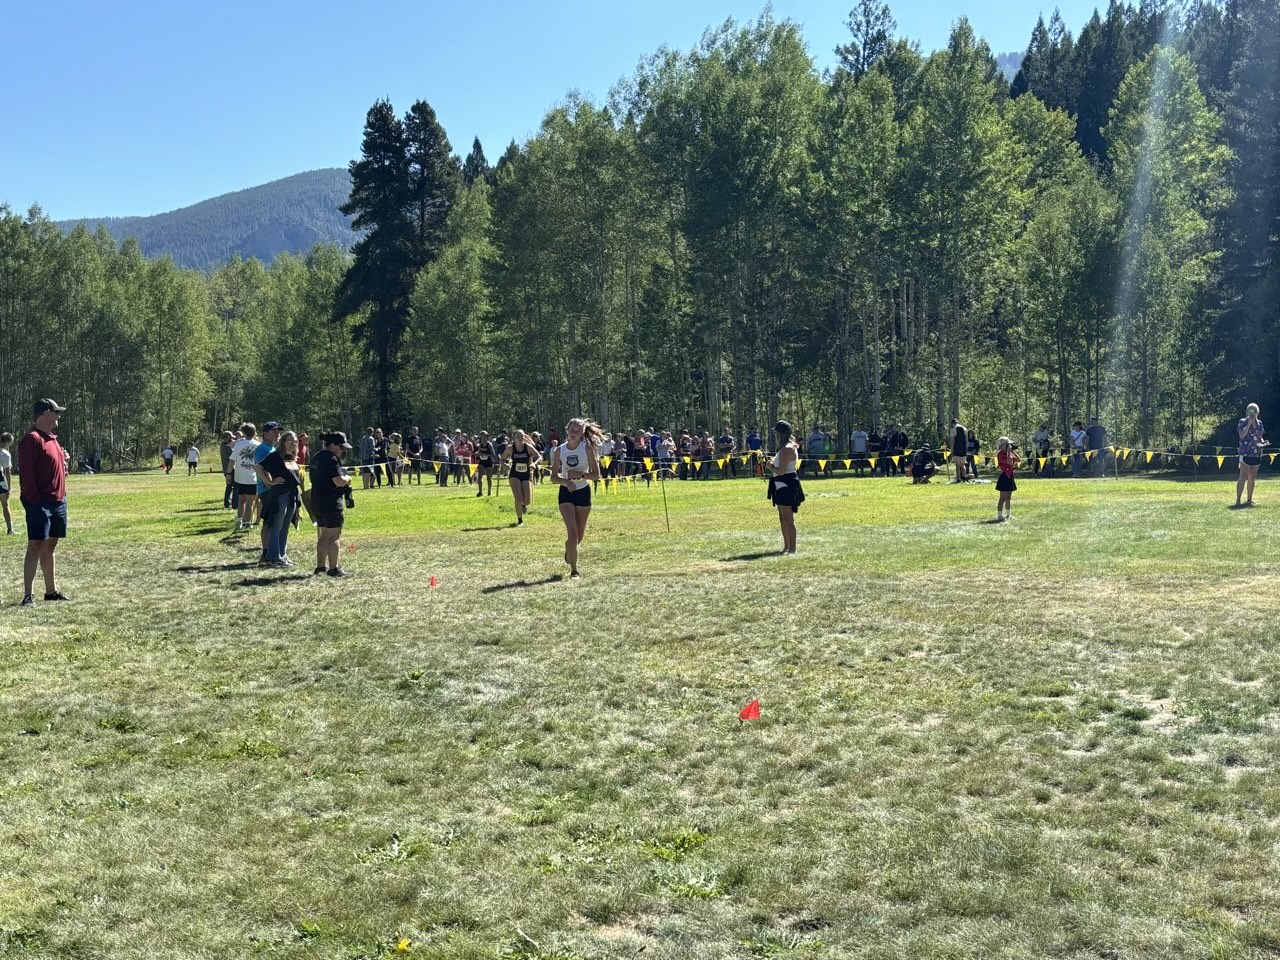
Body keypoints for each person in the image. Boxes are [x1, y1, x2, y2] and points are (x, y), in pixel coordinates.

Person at [19, 399, 71, 606]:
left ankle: (51, 591)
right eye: (56, 412)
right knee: (35, 545)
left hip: (58, 501)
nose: (58, 416)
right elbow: (27, 476)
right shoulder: (31, 439)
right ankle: (28, 595)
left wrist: (64, 463)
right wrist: (34, 502)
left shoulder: (52, 439)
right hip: (40, 502)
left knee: (51, 545)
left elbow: (59, 470)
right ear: (46, 413)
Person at [553, 418, 602, 579]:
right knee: (572, 534)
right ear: (566, 430)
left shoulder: (587, 449)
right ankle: (574, 570)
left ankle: (570, 550)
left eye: (577, 431)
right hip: (566, 493)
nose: (573, 433)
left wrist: (581, 475)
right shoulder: (559, 450)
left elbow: (596, 475)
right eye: (571, 429)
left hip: (583, 491)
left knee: (578, 537)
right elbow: (554, 477)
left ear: (582, 434)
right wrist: (566, 481)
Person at [310, 432, 353, 578]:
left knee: (323, 535)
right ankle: (334, 568)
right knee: (334, 535)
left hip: (317, 501)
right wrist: (347, 478)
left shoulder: (317, 456)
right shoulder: (332, 459)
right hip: (331, 502)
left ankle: (320, 567)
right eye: (341, 447)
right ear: (333, 445)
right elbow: (338, 480)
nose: (343, 450)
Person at [260, 430, 305, 567]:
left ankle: (282, 555)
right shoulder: (276, 456)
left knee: (285, 526)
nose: (293, 444)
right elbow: (258, 467)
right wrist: (270, 482)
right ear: (283, 442)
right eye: (290, 441)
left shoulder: (291, 457)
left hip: (292, 494)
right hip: (280, 495)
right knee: (277, 526)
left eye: (295, 441)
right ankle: (273, 557)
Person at [767, 420, 804, 554]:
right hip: (782, 484)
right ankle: (787, 546)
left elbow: (781, 471)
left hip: (786, 483)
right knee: (782, 517)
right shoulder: (786, 448)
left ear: (781, 434)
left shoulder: (787, 448)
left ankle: (792, 548)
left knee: (788, 518)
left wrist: (770, 466)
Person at [252, 422, 282, 562]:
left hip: (273, 490)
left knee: (273, 521)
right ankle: (265, 553)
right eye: (274, 431)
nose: (277, 434)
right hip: (267, 490)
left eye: (278, 431)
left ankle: (272, 551)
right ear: (265, 433)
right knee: (268, 521)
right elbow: (261, 468)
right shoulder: (262, 449)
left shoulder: (271, 448)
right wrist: (270, 483)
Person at [502, 429, 542, 525]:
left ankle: (523, 505)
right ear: (514, 438)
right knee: (518, 498)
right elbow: (502, 458)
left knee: (527, 501)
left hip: (526, 474)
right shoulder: (510, 448)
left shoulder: (528, 447)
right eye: (518, 436)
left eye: (522, 436)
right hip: (514, 474)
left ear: (524, 437)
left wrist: (534, 464)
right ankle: (520, 520)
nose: (520, 438)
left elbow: (539, 456)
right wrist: (505, 465)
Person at [230, 423, 261, 531]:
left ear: (244, 433)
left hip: (240, 477)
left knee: (241, 500)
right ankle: (248, 522)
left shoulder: (239, 445)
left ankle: (239, 520)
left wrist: (228, 472)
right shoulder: (258, 445)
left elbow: (232, 459)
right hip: (252, 478)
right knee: (250, 502)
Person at [1236, 402, 1266, 507]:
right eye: (1250, 411)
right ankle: (1238, 500)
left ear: (1257, 412)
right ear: (1247, 412)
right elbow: (1242, 435)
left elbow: (1260, 436)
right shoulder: (1242, 422)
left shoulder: (1260, 424)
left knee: (1252, 477)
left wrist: (1263, 442)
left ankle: (1249, 500)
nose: (1251, 413)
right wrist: (1249, 423)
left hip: (1256, 454)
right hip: (1245, 453)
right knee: (1243, 476)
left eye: (1253, 411)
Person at [994, 437, 1020, 522]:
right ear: (1002, 446)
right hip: (1004, 476)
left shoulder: (1010, 452)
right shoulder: (1000, 454)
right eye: (1007, 445)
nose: (1010, 446)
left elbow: (1018, 459)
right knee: (1002, 498)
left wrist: (1012, 451)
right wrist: (1008, 451)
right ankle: (999, 515)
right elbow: (1009, 462)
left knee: (1008, 497)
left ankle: (1009, 514)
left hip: (1010, 476)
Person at [474, 431, 497, 496]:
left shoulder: (489, 444)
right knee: (479, 476)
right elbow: (479, 451)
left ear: (487, 437)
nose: (483, 438)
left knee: (488, 477)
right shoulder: (480, 445)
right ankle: (480, 492)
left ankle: (489, 491)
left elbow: (493, 454)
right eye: (481, 436)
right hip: (482, 462)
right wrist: (477, 453)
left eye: (484, 436)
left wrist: (484, 454)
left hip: (489, 462)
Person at [0, 432, 13, 535]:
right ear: (9, 442)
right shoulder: (5, 454)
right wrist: (9, 487)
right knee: (5, 505)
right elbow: (7, 472)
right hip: (0, 480)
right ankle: (10, 529)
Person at [219, 431, 236, 508]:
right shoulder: (226, 447)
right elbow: (233, 457)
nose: (232, 439)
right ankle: (230, 503)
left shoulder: (223, 445)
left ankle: (227, 502)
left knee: (229, 486)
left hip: (227, 469)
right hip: (230, 469)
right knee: (231, 486)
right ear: (228, 437)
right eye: (231, 437)